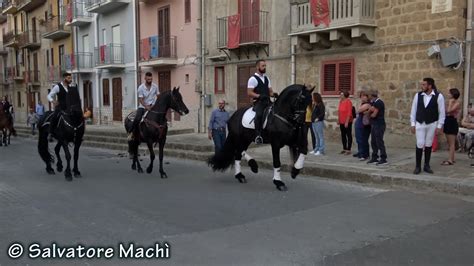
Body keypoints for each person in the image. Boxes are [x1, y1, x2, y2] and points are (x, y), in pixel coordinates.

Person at [410, 77, 445, 174]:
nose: (422, 86)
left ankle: (426, 165)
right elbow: (413, 110)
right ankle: (417, 166)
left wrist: (439, 126)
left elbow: (441, 112)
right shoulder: (418, 95)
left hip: (432, 123)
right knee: (420, 143)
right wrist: (412, 124)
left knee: (429, 143)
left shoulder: (439, 96)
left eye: (424, 84)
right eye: (422, 84)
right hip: (420, 123)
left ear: (430, 86)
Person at [247, 59, 275, 144]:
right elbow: (249, 92)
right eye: (263, 66)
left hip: (267, 101)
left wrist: (274, 94)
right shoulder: (253, 79)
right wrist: (259, 96)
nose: (264, 67)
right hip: (258, 102)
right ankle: (258, 135)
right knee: (259, 114)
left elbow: (270, 91)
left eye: (265, 66)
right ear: (257, 67)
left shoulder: (267, 78)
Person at [47, 72, 82, 138]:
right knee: (54, 116)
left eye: (70, 78)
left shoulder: (70, 87)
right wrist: (53, 101)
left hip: (69, 107)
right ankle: (51, 133)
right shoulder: (57, 87)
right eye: (68, 78)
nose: (70, 80)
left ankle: (77, 134)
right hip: (60, 107)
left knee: (77, 116)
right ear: (64, 78)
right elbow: (49, 96)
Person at [128, 72, 160, 140]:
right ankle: (131, 133)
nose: (150, 81)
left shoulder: (155, 86)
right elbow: (141, 100)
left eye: (151, 79)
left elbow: (158, 96)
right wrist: (146, 107)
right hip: (143, 107)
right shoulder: (141, 87)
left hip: (153, 106)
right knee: (137, 118)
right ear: (145, 78)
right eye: (148, 79)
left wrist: (154, 104)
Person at [367, 89, 388, 165]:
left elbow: (374, 114)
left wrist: (370, 112)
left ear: (373, 96)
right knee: (373, 141)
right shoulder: (374, 103)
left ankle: (383, 157)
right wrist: (370, 111)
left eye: (370, 96)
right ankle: (374, 157)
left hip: (379, 124)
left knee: (379, 141)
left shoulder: (378, 103)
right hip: (374, 124)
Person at [441, 88, 461, 166]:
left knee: (452, 143)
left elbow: (449, 111)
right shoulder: (450, 102)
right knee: (449, 142)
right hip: (448, 121)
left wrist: (449, 103)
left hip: (452, 122)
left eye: (449, 93)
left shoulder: (457, 103)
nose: (448, 94)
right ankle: (452, 158)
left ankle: (450, 160)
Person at [354, 90, 372, 161]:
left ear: (367, 97)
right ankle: (361, 152)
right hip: (360, 122)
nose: (362, 98)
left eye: (364, 96)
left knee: (363, 139)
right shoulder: (363, 103)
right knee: (359, 139)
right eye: (361, 96)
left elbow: (358, 110)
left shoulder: (368, 104)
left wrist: (359, 109)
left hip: (364, 124)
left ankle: (364, 154)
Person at [338, 90, 353, 155]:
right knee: (343, 135)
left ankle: (348, 149)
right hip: (341, 121)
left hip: (347, 121)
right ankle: (344, 148)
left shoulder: (348, 102)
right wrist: (338, 119)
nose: (340, 96)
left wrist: (347, 122)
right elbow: (339, 111)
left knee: (348, 135)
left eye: (341, 95)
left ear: (345, 95)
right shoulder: (341, 101)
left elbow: (349, 112)